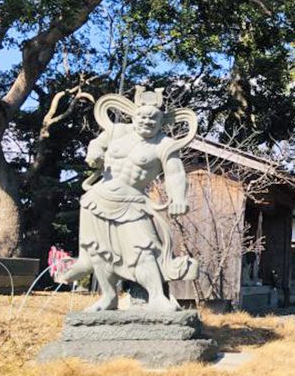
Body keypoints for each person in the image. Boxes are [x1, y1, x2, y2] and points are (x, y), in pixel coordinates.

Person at [56, 87, 198, 311]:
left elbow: (175, 174)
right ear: (134, 116)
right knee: (97, 251)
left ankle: (157, 297)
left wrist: (178, 197)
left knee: (144, 248)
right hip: (97, 198)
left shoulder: (164, 144)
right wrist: (93, 155)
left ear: (162, 120)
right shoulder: (117, 132)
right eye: (143, 116)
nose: (147, 121)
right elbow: (96, 145)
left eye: (154, 118)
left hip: (132, 201)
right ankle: (108, 296)